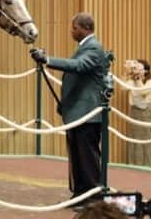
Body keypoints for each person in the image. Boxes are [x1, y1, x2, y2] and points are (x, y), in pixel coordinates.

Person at [30, 12, 106, 207]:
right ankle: (80, 194)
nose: (72, 31)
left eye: (74, 28)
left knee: (87, 158)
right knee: (77, 157)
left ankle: (93, 198)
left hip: (88, 115)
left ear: (85, 28)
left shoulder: (94, 48)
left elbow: (79, 66)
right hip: (76, 113)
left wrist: (48, 60)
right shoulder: (84, 47)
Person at [124, 59, 151, 165]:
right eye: (136, 68)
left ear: (145, 71)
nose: (137, 70)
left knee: (145, 139)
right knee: (135, 139)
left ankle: (147, 165)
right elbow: (122, 87)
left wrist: (137, 79)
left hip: (146, 113)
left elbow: (143, 92)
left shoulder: (150, 82)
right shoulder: (132, 80)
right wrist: (126, 72)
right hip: (134, 113)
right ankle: (134, 164)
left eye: (139, 68)